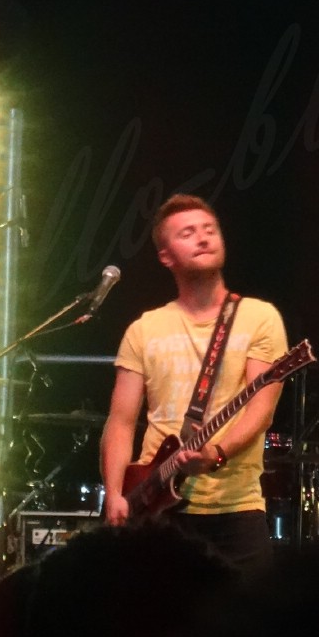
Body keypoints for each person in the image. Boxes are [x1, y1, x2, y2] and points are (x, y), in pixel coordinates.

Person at [99, 194, 287, 571]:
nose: (203, 238)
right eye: (187, 233)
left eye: (209, 230)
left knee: (251, 609)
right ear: (165, 256)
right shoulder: (143, 329)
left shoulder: (259, 317)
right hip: (155, 506)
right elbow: (120, 422)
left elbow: (260, 411)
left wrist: (216, 453)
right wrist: (115, 492)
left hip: (236, 510)